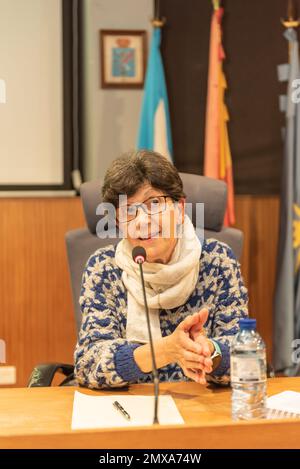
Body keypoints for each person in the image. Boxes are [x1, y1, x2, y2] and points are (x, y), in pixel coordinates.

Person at [74, 150, 248, 389]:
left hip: (202, 408)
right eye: (128, 210)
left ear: (179, 209)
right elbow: (88, 363)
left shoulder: (217, 261)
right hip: (129, 409)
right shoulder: (104, 268)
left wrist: (209, 353)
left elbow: (244, 354)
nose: (142, 221)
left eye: (154, 203)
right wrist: (165, 350)